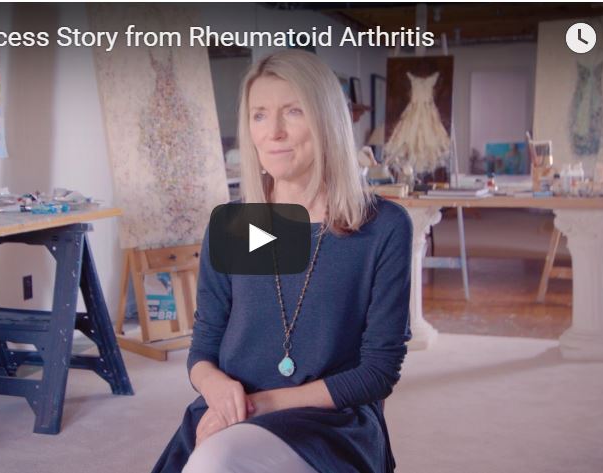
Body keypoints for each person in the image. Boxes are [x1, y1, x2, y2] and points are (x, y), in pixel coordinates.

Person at [153, 49, 412, 473]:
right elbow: (202, 350)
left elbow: (377, 372)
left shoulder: (382, 227)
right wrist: (218, 391)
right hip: (228, 410)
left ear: (326, 120)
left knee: (215, 463)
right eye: (259, 115)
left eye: (292, 112)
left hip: (328, 421)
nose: (272, 132)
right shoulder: (233, 226)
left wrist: (256, 407)